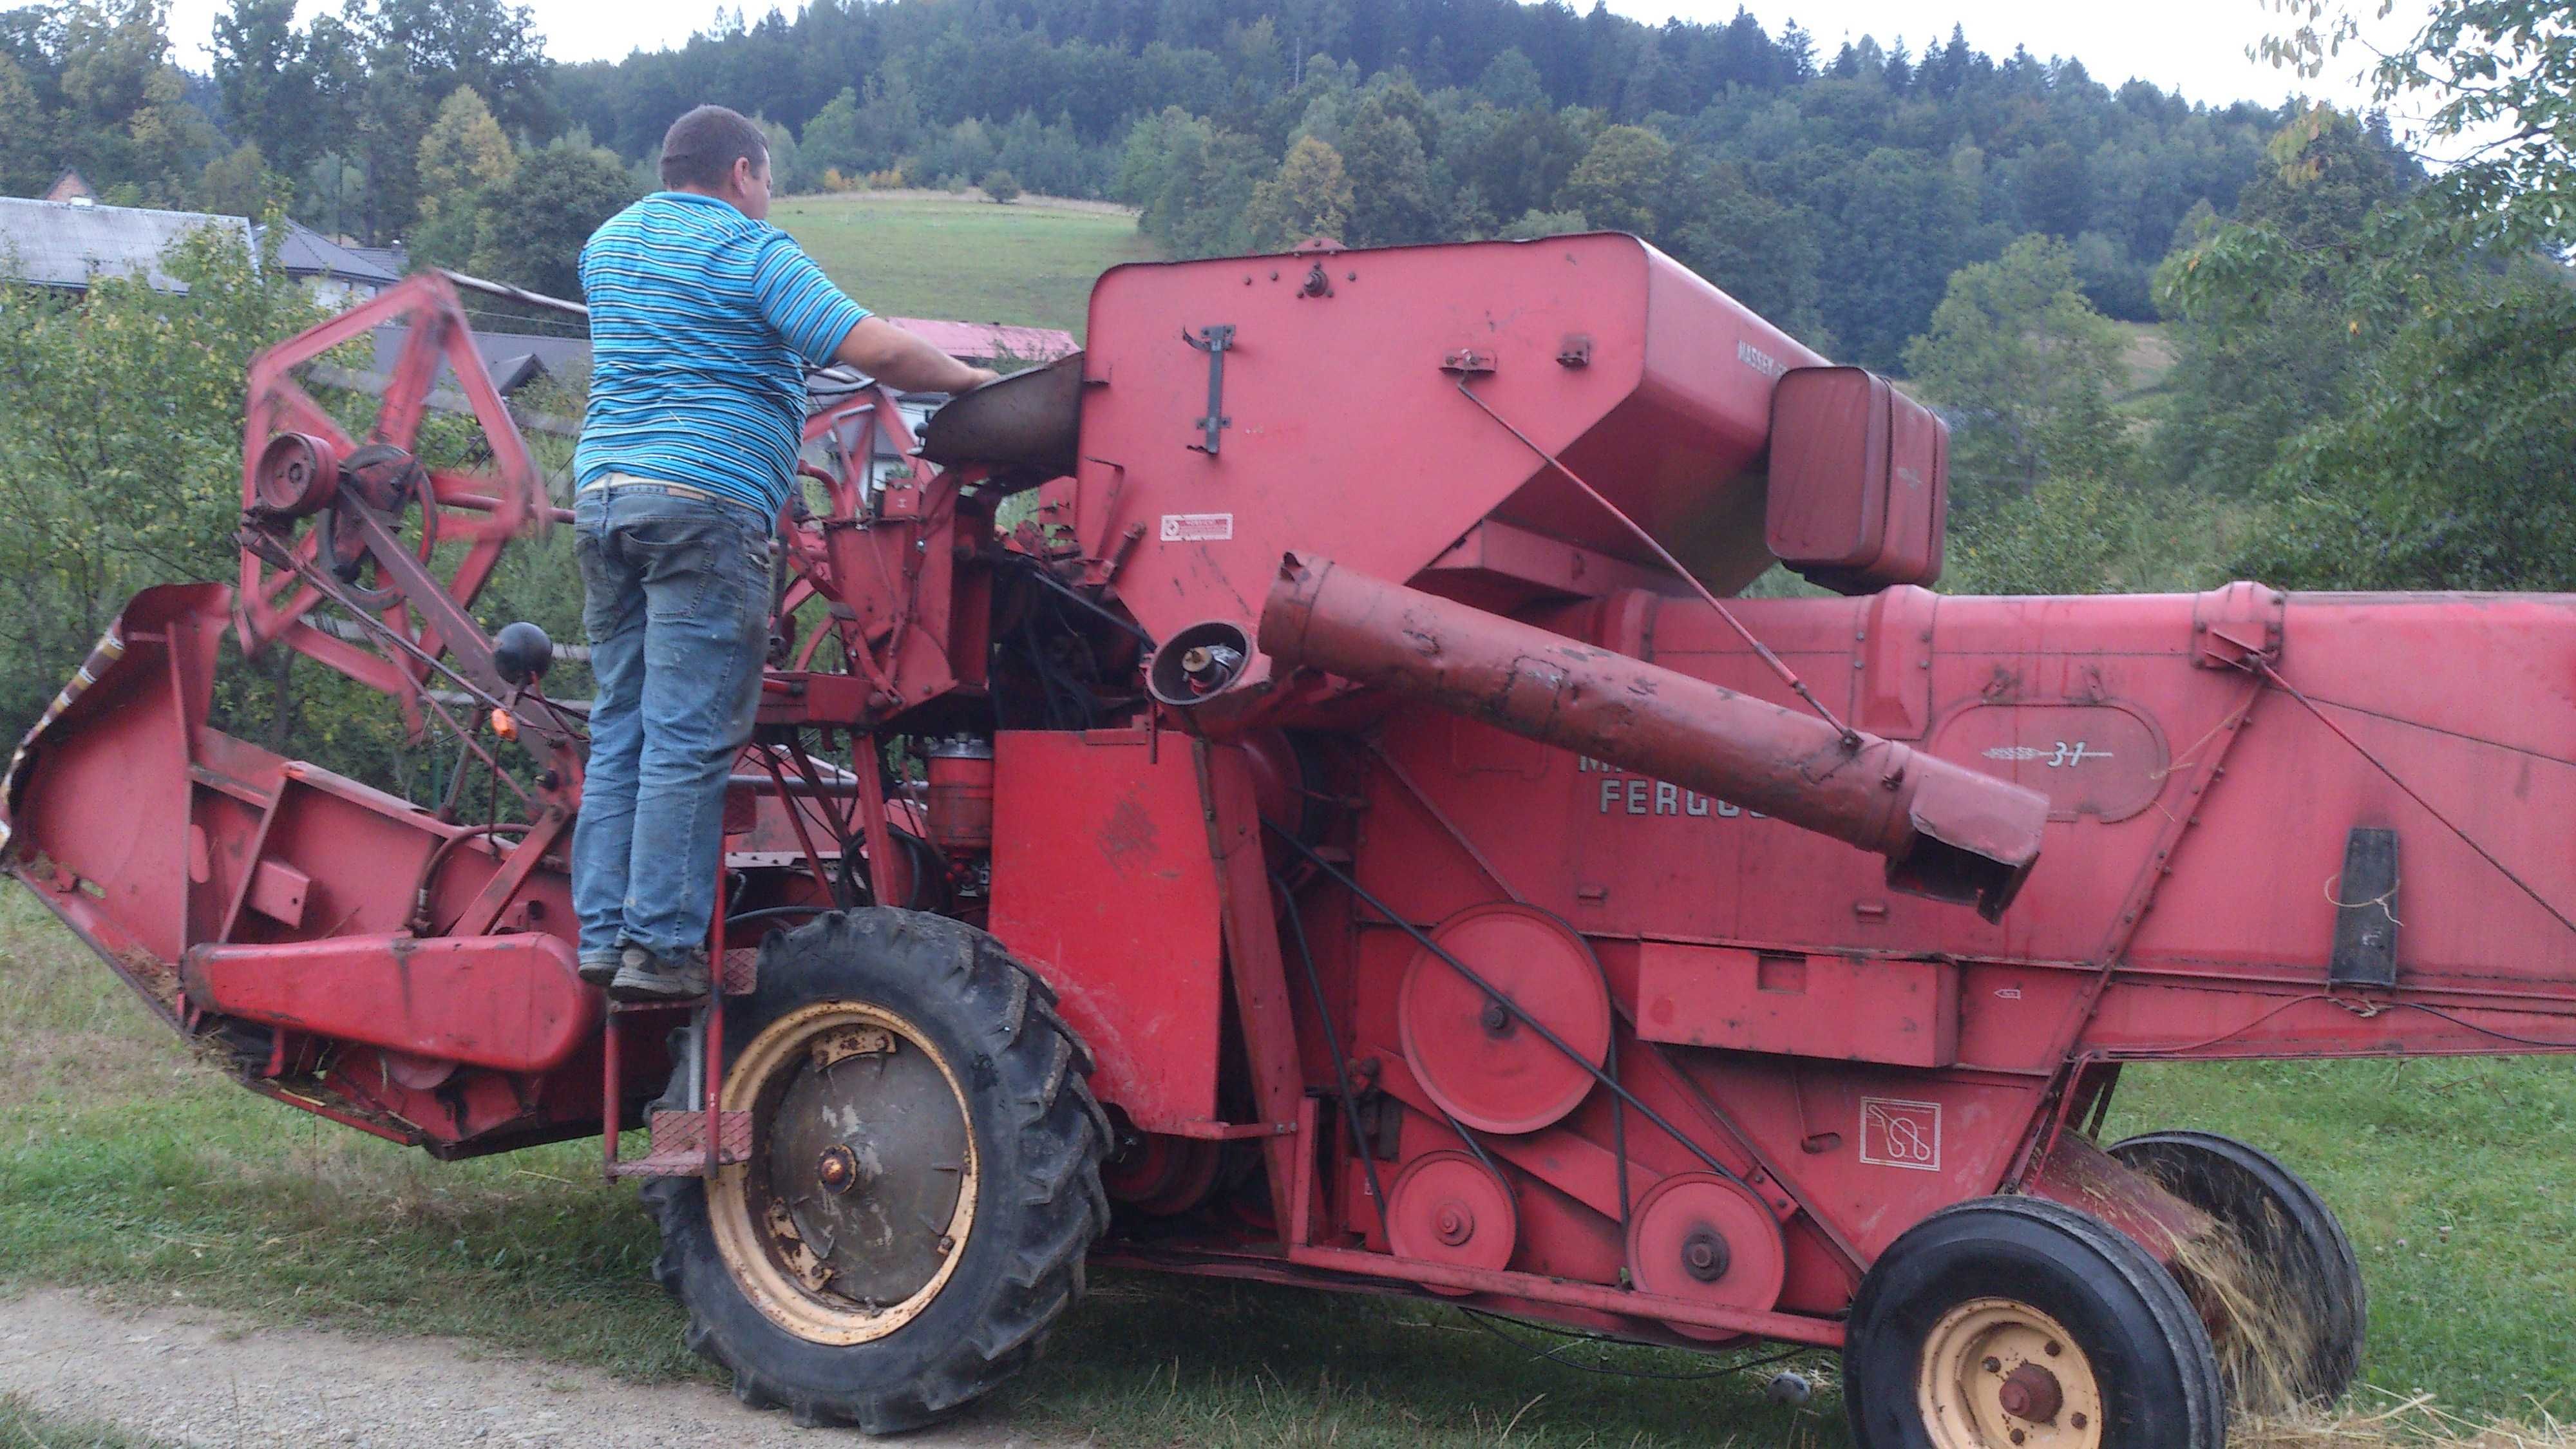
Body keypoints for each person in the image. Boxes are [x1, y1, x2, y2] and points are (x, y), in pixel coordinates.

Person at [571, 104, 996, 1000]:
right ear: (741, 173)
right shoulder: (748, 249)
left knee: (623, 724)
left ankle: (604, 935)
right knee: (688, 730)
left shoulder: (608, 245)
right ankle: (662, 947)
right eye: (765, 179)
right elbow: (871, 348)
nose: (766, 196)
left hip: (605, 500)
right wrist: (974, 383)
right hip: (705, 505)